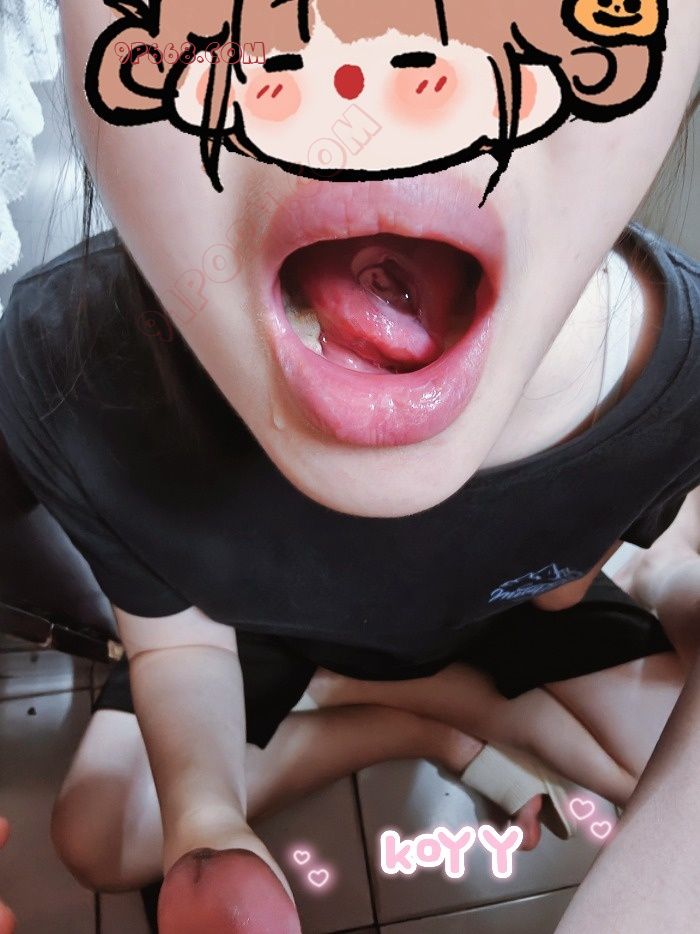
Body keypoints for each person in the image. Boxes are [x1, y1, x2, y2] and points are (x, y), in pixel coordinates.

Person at [0, 1, 698, 931]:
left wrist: (654, 576)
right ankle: (421, 717)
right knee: (98, 834)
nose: (381, 39)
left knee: (651, 762)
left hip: (485, 623)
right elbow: (177, 643)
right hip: (253, 634)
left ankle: (413, 693)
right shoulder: (70, 369)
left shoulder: (675, 382)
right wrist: (207, 821)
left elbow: (562, 593)